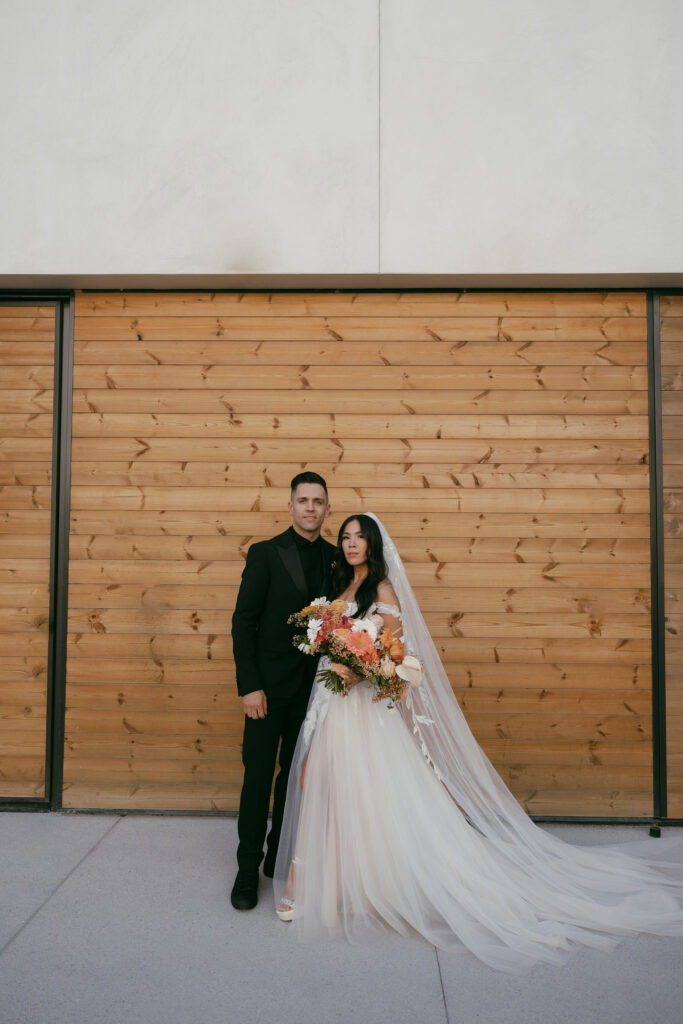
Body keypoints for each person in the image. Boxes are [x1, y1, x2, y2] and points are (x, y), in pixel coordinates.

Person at [273, 513, 683, 971]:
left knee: (344, 790)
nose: (351, 544)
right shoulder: (342, 589)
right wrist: (332, 652)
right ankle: (323, 885)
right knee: (317, 784)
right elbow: (337, 643)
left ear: (373, 544)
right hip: (332, 708)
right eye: (345, 537)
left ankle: (308, 885)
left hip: (362, 711)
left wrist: (360, 668)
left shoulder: (383, 592)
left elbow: (395, 657)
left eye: (359, 538)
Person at [230, 472, 335, 911]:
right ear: (290, 506)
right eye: (303, 500)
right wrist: (250, 686)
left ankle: (277, 855)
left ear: (327, 509)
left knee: (295, 782)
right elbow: (243, 622)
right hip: (266, 694)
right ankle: (246, 868)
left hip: (314, 697)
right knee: (257, 779)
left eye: (318, 501)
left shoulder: (338, 559)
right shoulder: (264, 553)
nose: (310, 507)